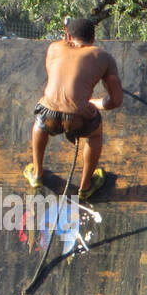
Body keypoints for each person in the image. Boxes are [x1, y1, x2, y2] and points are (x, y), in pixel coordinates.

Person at [25, 17, 123, 200]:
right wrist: (95, 103)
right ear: (93, 40)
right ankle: (85, 187)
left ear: (68, 35)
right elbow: (116, 101)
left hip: (48, 113)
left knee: (40, 124)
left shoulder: (54, 47)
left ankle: (37, 174)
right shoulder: (103, 57)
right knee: (95, 134)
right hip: (79, 117)